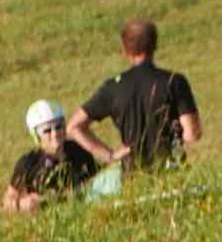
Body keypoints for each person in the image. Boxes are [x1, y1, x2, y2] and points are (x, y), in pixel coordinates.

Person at [67, 19, 201, 172]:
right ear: (154, 46)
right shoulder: (174, 82)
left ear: (125, 50)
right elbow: (192, 134)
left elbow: (74, 126)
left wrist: (109, 155)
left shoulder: (113, 88)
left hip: (133, 176)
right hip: (172, 170)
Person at [2, 99, 107, 214]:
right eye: (47, 130)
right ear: (36, 135)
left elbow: (99, 178)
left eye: (58, 126)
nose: (55, 133)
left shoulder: (78, 149)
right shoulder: (28, 163)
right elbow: (8, 199)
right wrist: (21, 205)